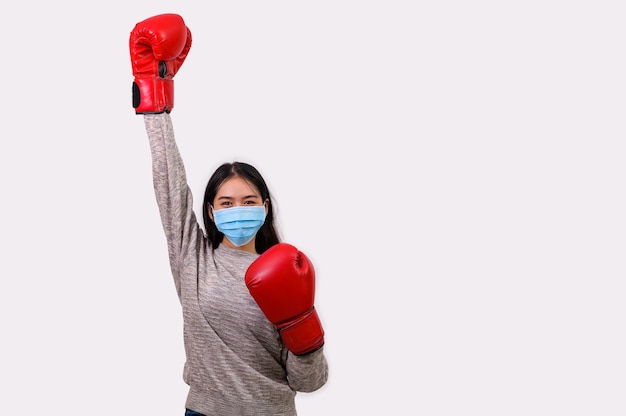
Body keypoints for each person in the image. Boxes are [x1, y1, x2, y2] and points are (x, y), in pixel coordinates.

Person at [129, 13, 329, 416]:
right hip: (204, 411)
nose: (239, 210)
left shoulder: (286, 272)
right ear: (210, 211)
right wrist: (154, 93)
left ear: (266, 207)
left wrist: (303, 325)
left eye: (249, 201)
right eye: (226, 202)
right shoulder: (194, 259)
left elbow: (308, 383)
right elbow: (168, 179)